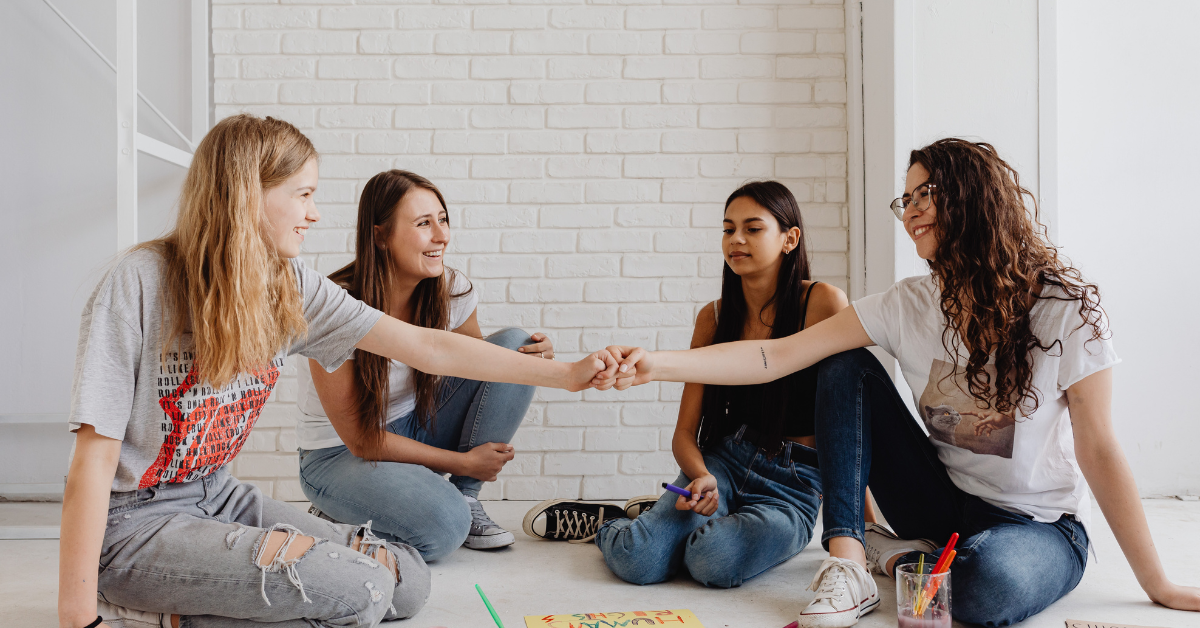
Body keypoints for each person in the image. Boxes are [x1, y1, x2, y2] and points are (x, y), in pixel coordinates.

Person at [604, 139, 1200, 627]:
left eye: (927, 193)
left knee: (980, 588)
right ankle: (851, 562)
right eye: (906, 196)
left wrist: (1159, 584)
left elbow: (1099, 446)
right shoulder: (907, 304)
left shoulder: (1062, 310)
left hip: (1035, 525)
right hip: (938, 500)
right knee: (843, 366)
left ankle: (921, 557)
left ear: (974, 199)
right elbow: (774, 357)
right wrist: (655, 362)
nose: (910, 208)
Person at [59, 114, 617, 628]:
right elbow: (94, 457)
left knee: (407, 583)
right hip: (133, 524)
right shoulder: (140, 282)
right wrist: (77, 620)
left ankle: (189, 600)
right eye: (303, 194)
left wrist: (568, 374)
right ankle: (151, 610)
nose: (315, 213)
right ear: (246, 197)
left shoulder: (289, 285)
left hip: (218, 495)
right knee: (361, 590)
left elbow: (430, 348)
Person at [521, 182, 875, 589]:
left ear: (790, 239)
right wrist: (700, 475)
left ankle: (656, 519)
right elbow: (685, 433)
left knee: (712, 560)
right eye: (728, 229)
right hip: (724, 463)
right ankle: (614, 523)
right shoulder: (714, 317)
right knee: (638, 560)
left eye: (753, 228)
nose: (736, 239)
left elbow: (851, 427)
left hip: (792, 490)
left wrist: (864, 530)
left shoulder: (823, 302)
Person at [296, 170, 556, 560]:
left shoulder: (449, 289)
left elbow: (482, 370)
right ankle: (340, 508)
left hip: (416, 424)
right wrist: (462, 461)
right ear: (380, 235)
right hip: (340, 454)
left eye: (443, 219)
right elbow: (362, 439)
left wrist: (534, 361)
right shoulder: (334, 307)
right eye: (423, 223)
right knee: (443, 529)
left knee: (514, 348)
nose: (441, 235)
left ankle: (466, 499)